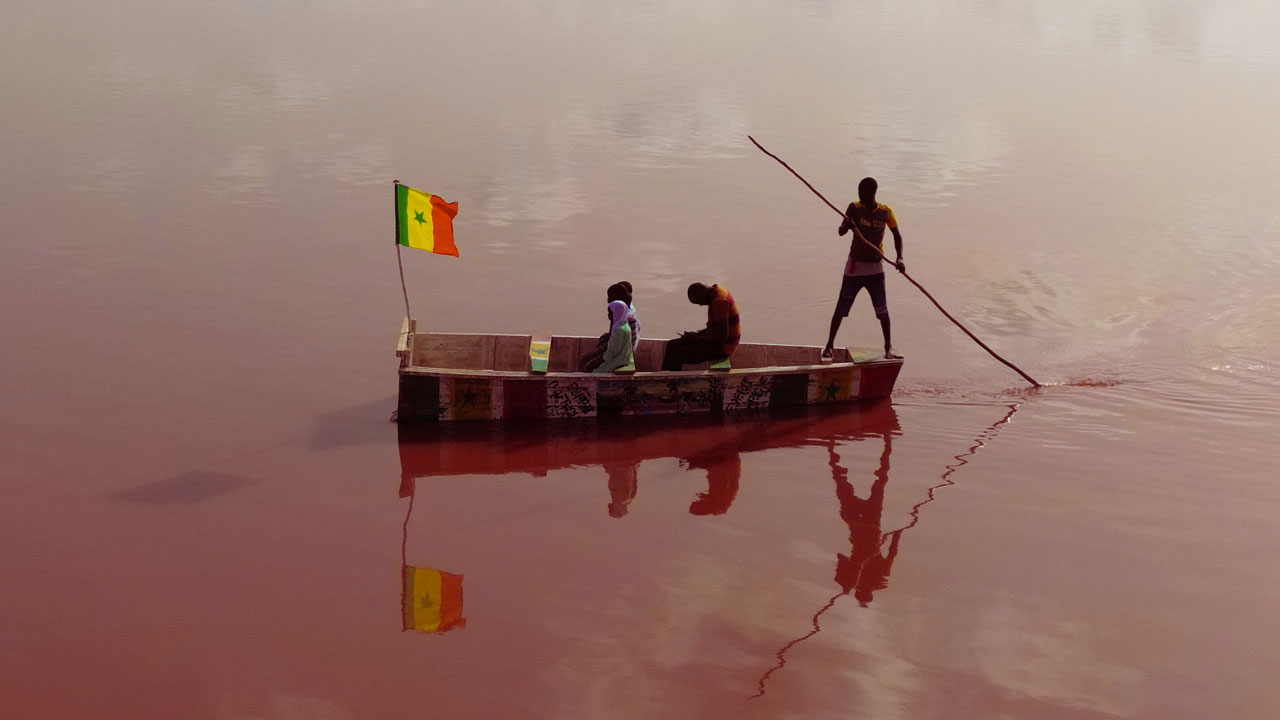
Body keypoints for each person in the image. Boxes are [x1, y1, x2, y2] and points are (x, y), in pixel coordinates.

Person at [822, 177, 904, 362]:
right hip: (855, 267)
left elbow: (897, 236)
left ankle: (888, 348)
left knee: (882, 311)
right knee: (841, 308)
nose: (859, 194)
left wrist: (899, 258)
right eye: (859, 191)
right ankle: (829, 346)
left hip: (875, 269)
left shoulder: (886, 212)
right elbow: (841, 231)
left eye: (862, 191)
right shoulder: (854, 208)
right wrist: (849, 225)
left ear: (872, 193)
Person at [661, 282, 740, 371]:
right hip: (715, 340)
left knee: (676, 356)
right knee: (671, 344)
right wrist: (698, 333)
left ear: (703, 295)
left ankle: (671, 384)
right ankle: (662, 378)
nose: (701, 305)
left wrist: (698, 339)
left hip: (723, 347)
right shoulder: (716, 291)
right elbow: (715, 327)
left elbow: (722, 337)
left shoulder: (719, 303)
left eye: (699, 302)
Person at [580, 282, 640, 371]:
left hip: (621, 353)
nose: (607, 299)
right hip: (620, 349)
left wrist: (597, 359)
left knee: (585, 359)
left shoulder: (623, 318)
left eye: (610, 297)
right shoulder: (622, 310)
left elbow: (614, 348)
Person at [593, 299, 635, 374]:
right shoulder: (624, 324)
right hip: (625, 357)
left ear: (617, 313)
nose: (608, 315)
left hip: (620, 360)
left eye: (610, 313)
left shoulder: (619, 330)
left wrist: (598, 361)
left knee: (597, 371)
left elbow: (613, 351)